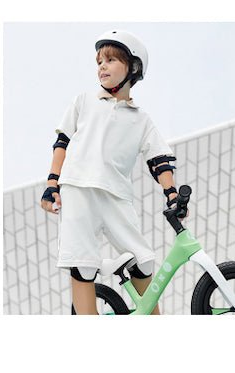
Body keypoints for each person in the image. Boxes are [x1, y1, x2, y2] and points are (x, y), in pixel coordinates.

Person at [40, 29, 186, 314]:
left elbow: (159, 159)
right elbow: (63, 141)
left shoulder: (141, 119)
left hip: (117, 195)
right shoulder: (84, 101)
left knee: (142, 261)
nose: (102, 66)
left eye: (110, 60)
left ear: (132, 67)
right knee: (82, 264)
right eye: (99, 62)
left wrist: (171, 194)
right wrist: (52, 183)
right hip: (78, 188)